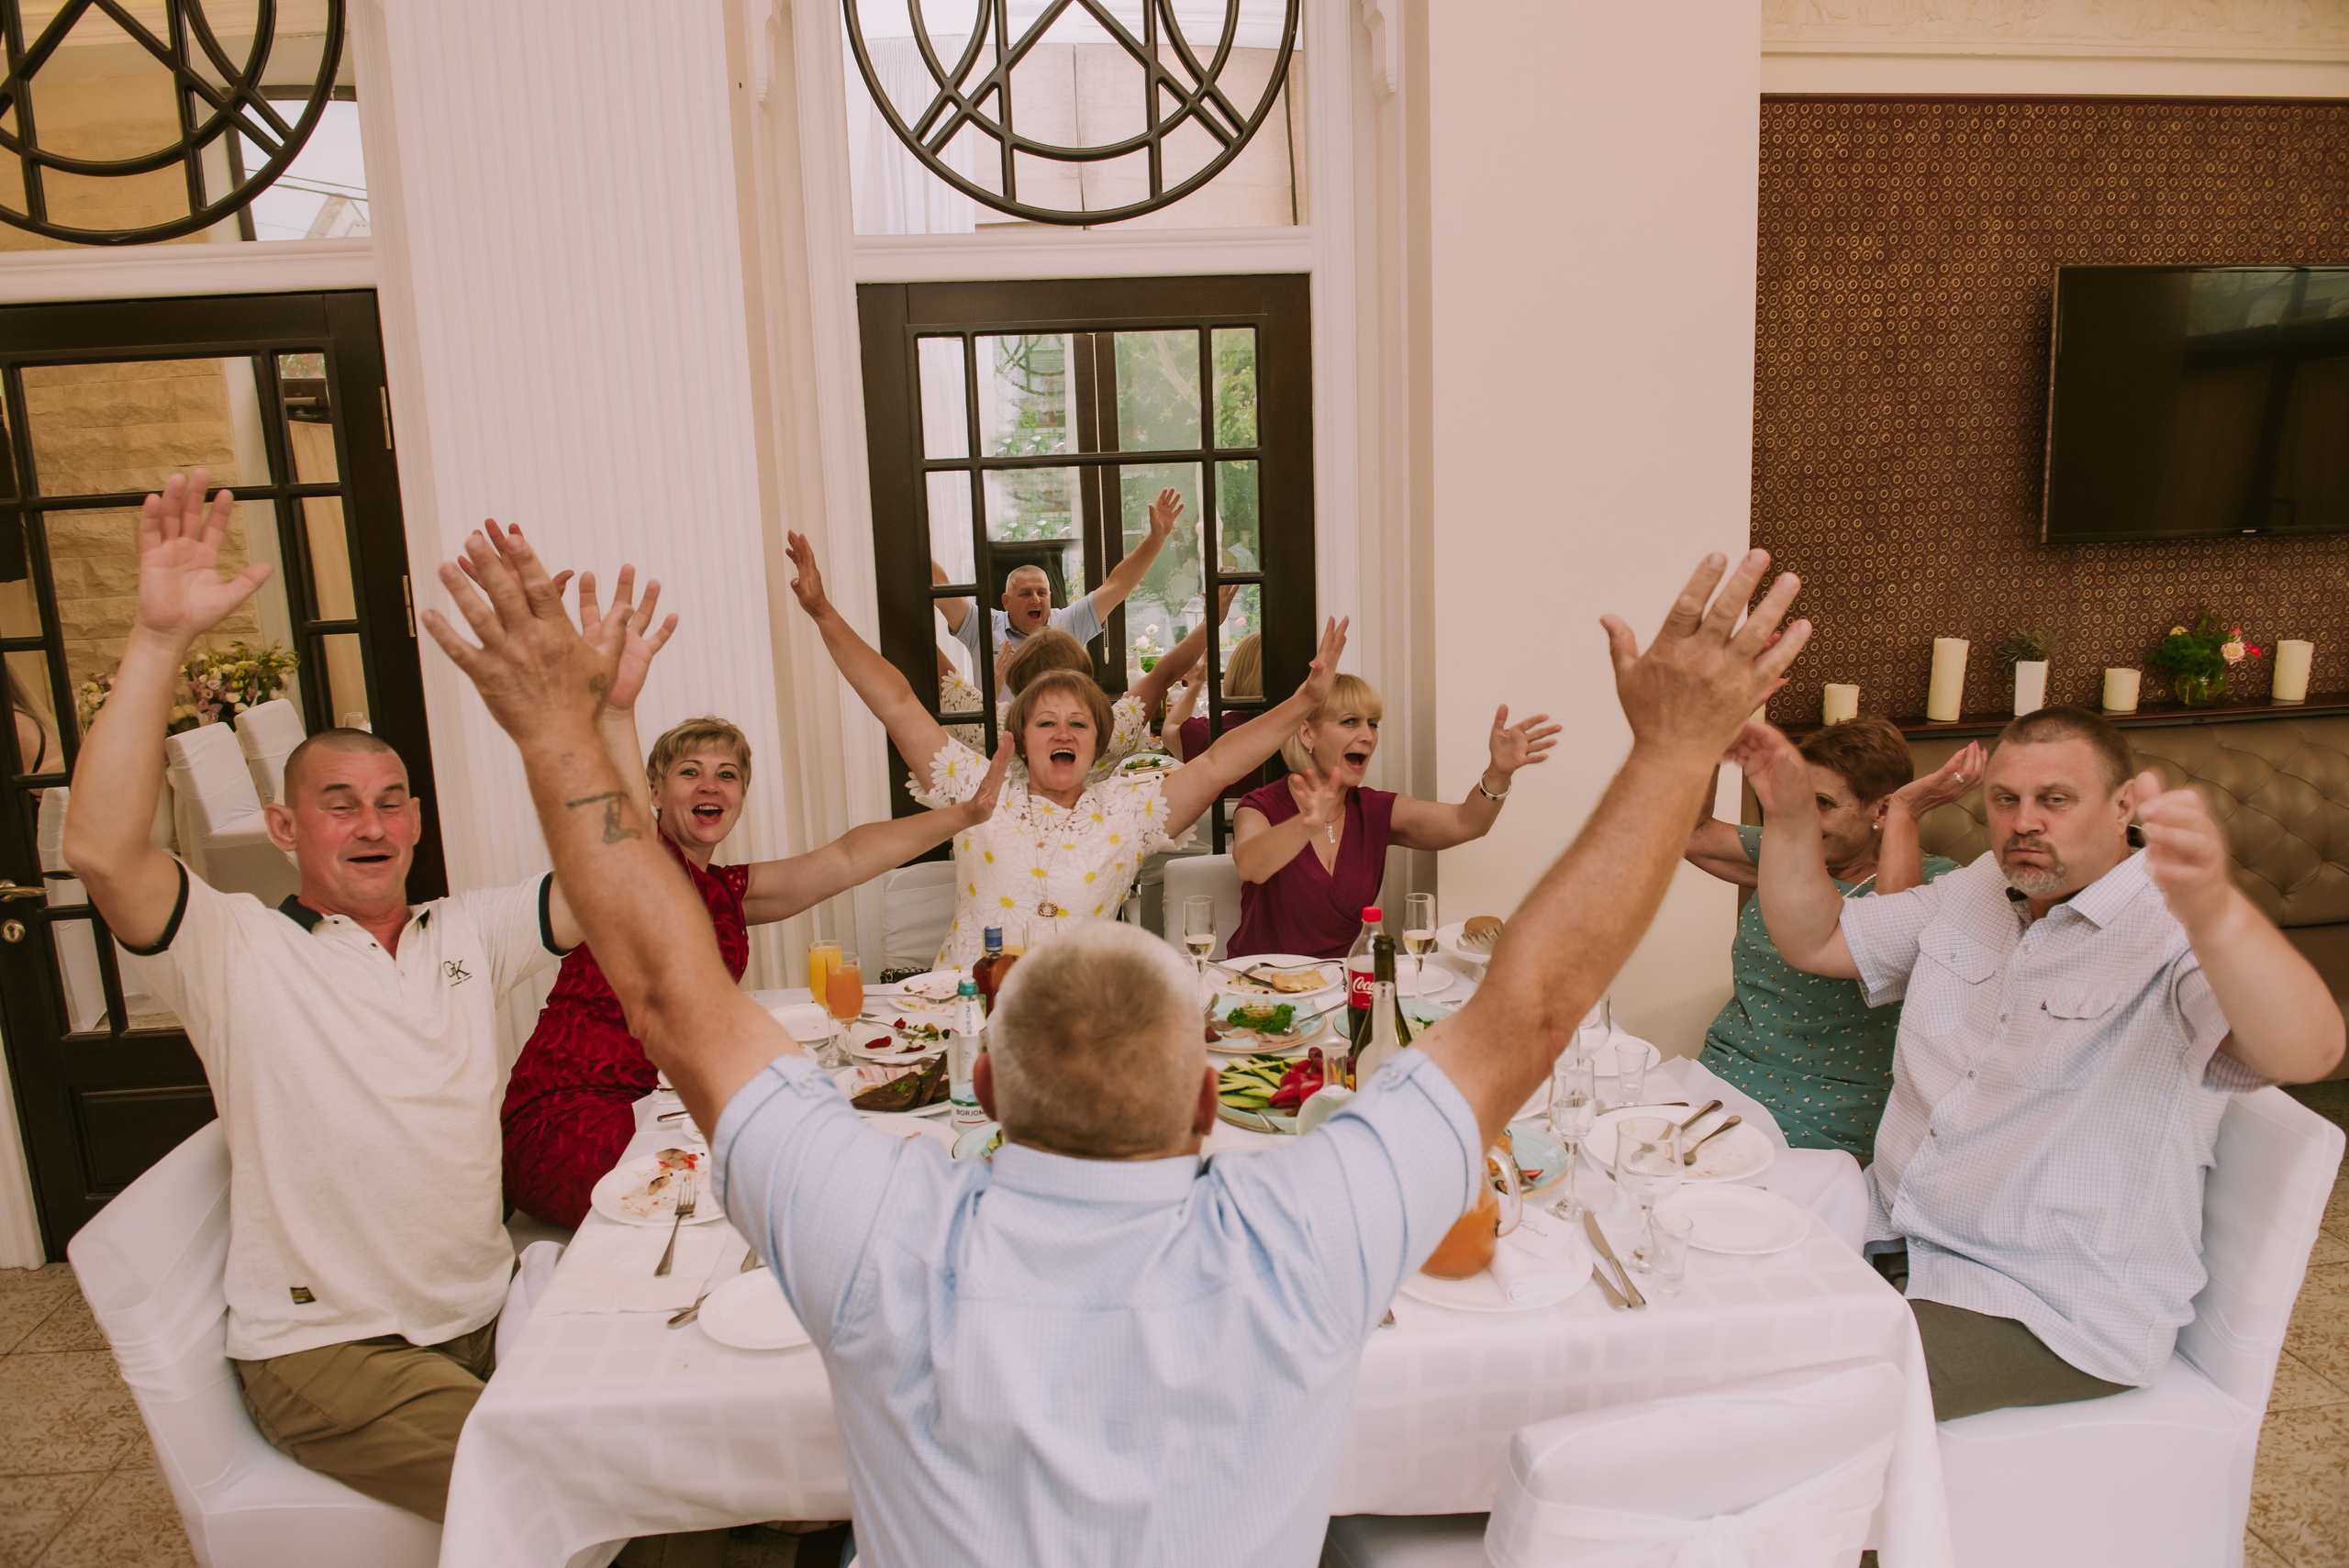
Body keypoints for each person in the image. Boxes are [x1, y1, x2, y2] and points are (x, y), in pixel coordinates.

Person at [424, 523, 1809, 1568]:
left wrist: (564, 728)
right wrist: (1672, 748)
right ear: (1214, 1098)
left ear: (977, 1081)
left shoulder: (872, 1227)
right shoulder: (1306, 1232)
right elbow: (1534, 1006)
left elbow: (670, 997)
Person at [60, 477, 601, 1522]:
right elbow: (99, 849)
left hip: (482, 1314)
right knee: (565, 1491)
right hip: (331, 1352)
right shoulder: (236, 947)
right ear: (283, 827)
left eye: (392, 800)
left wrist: (585, 715)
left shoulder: (467, 932)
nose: (372, 821)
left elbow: (618, 882)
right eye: (339, 802)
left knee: (662, 1426)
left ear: (415, 821)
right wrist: (157, 638)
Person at [1740, 704, 2345, 1421]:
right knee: (1702, 1306)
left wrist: (2215, 908)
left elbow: (2308, 1051)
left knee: (1792, 1396)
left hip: (2045, 1302)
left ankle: (1866, 1534)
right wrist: (1786, 816)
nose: (2024, 821)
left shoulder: (2173, 925)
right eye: (2006, 799)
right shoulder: (1978, 889)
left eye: (2055, 799)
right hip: (1899, 1232)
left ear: (2123, 805)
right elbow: (1819, 940)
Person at [500, 586, 1009, 1228]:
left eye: (727, 774)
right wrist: (616, 709)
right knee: (757, 1199)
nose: (710, 784)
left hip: (660, 1101)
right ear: (655, 790)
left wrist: (963, 815)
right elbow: (616, 811)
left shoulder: (725, 889)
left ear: (741, 795)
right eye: (690, 771)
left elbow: (846, 858)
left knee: (796, 1168)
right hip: (573, 1109)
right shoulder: (631, 865)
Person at [786, 529, 1345, 967]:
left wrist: (1304, 701)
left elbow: (1222, 761)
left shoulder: (1129, 809)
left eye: (1078, 723)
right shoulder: (972, 790)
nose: (1062, 733)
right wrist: (822, 613)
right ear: (1022, 735)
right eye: (1046, 722)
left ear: (1099, 738)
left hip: (1081, 1017)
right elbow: (899, 704)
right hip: (966, 1014)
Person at [1684, 717, 1978, 1158]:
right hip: (1721, 1078)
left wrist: (1906, 813)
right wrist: (1713, 735)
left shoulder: (1941, 886)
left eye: (1823, 803)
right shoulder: (1789, 850)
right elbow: (1692, 834)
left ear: (1880, 811)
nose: (1805, 818)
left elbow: (1887, 942)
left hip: (1829, 1112)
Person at [1227, 678, 1558, 960]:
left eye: (1372, 723)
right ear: (1307, 734)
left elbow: (1466, 823)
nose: (1367, 736)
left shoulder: (1373, 810)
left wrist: (1498, 773)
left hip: (1346, 988)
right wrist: (1307, 823)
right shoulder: (1261, 805)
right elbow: (1251, 865)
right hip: (1261, 988)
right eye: (1350, 722)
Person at [936, 486, 1185, 699]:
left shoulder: (1067, 623)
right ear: (1006, 601)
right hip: (1002, 741)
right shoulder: (983, 627)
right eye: (1025, 594)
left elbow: (1117, 585)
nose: (1035, 599)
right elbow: (942, 589)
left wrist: (1157, 537)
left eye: (1042, 593)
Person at [996, 585, 1234, 783]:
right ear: (1082, 676)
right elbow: (1164, 674)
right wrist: (1211, 622)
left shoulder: (995, 727)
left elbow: (956, 686)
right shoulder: (1107, 730)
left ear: (1016, 677)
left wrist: (994, 690)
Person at [1162, 629, 1261, 762]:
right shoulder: (1293, 732)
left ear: (1234, 673)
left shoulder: (1210, 733)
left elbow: (1169, 732)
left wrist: (1196, 684)